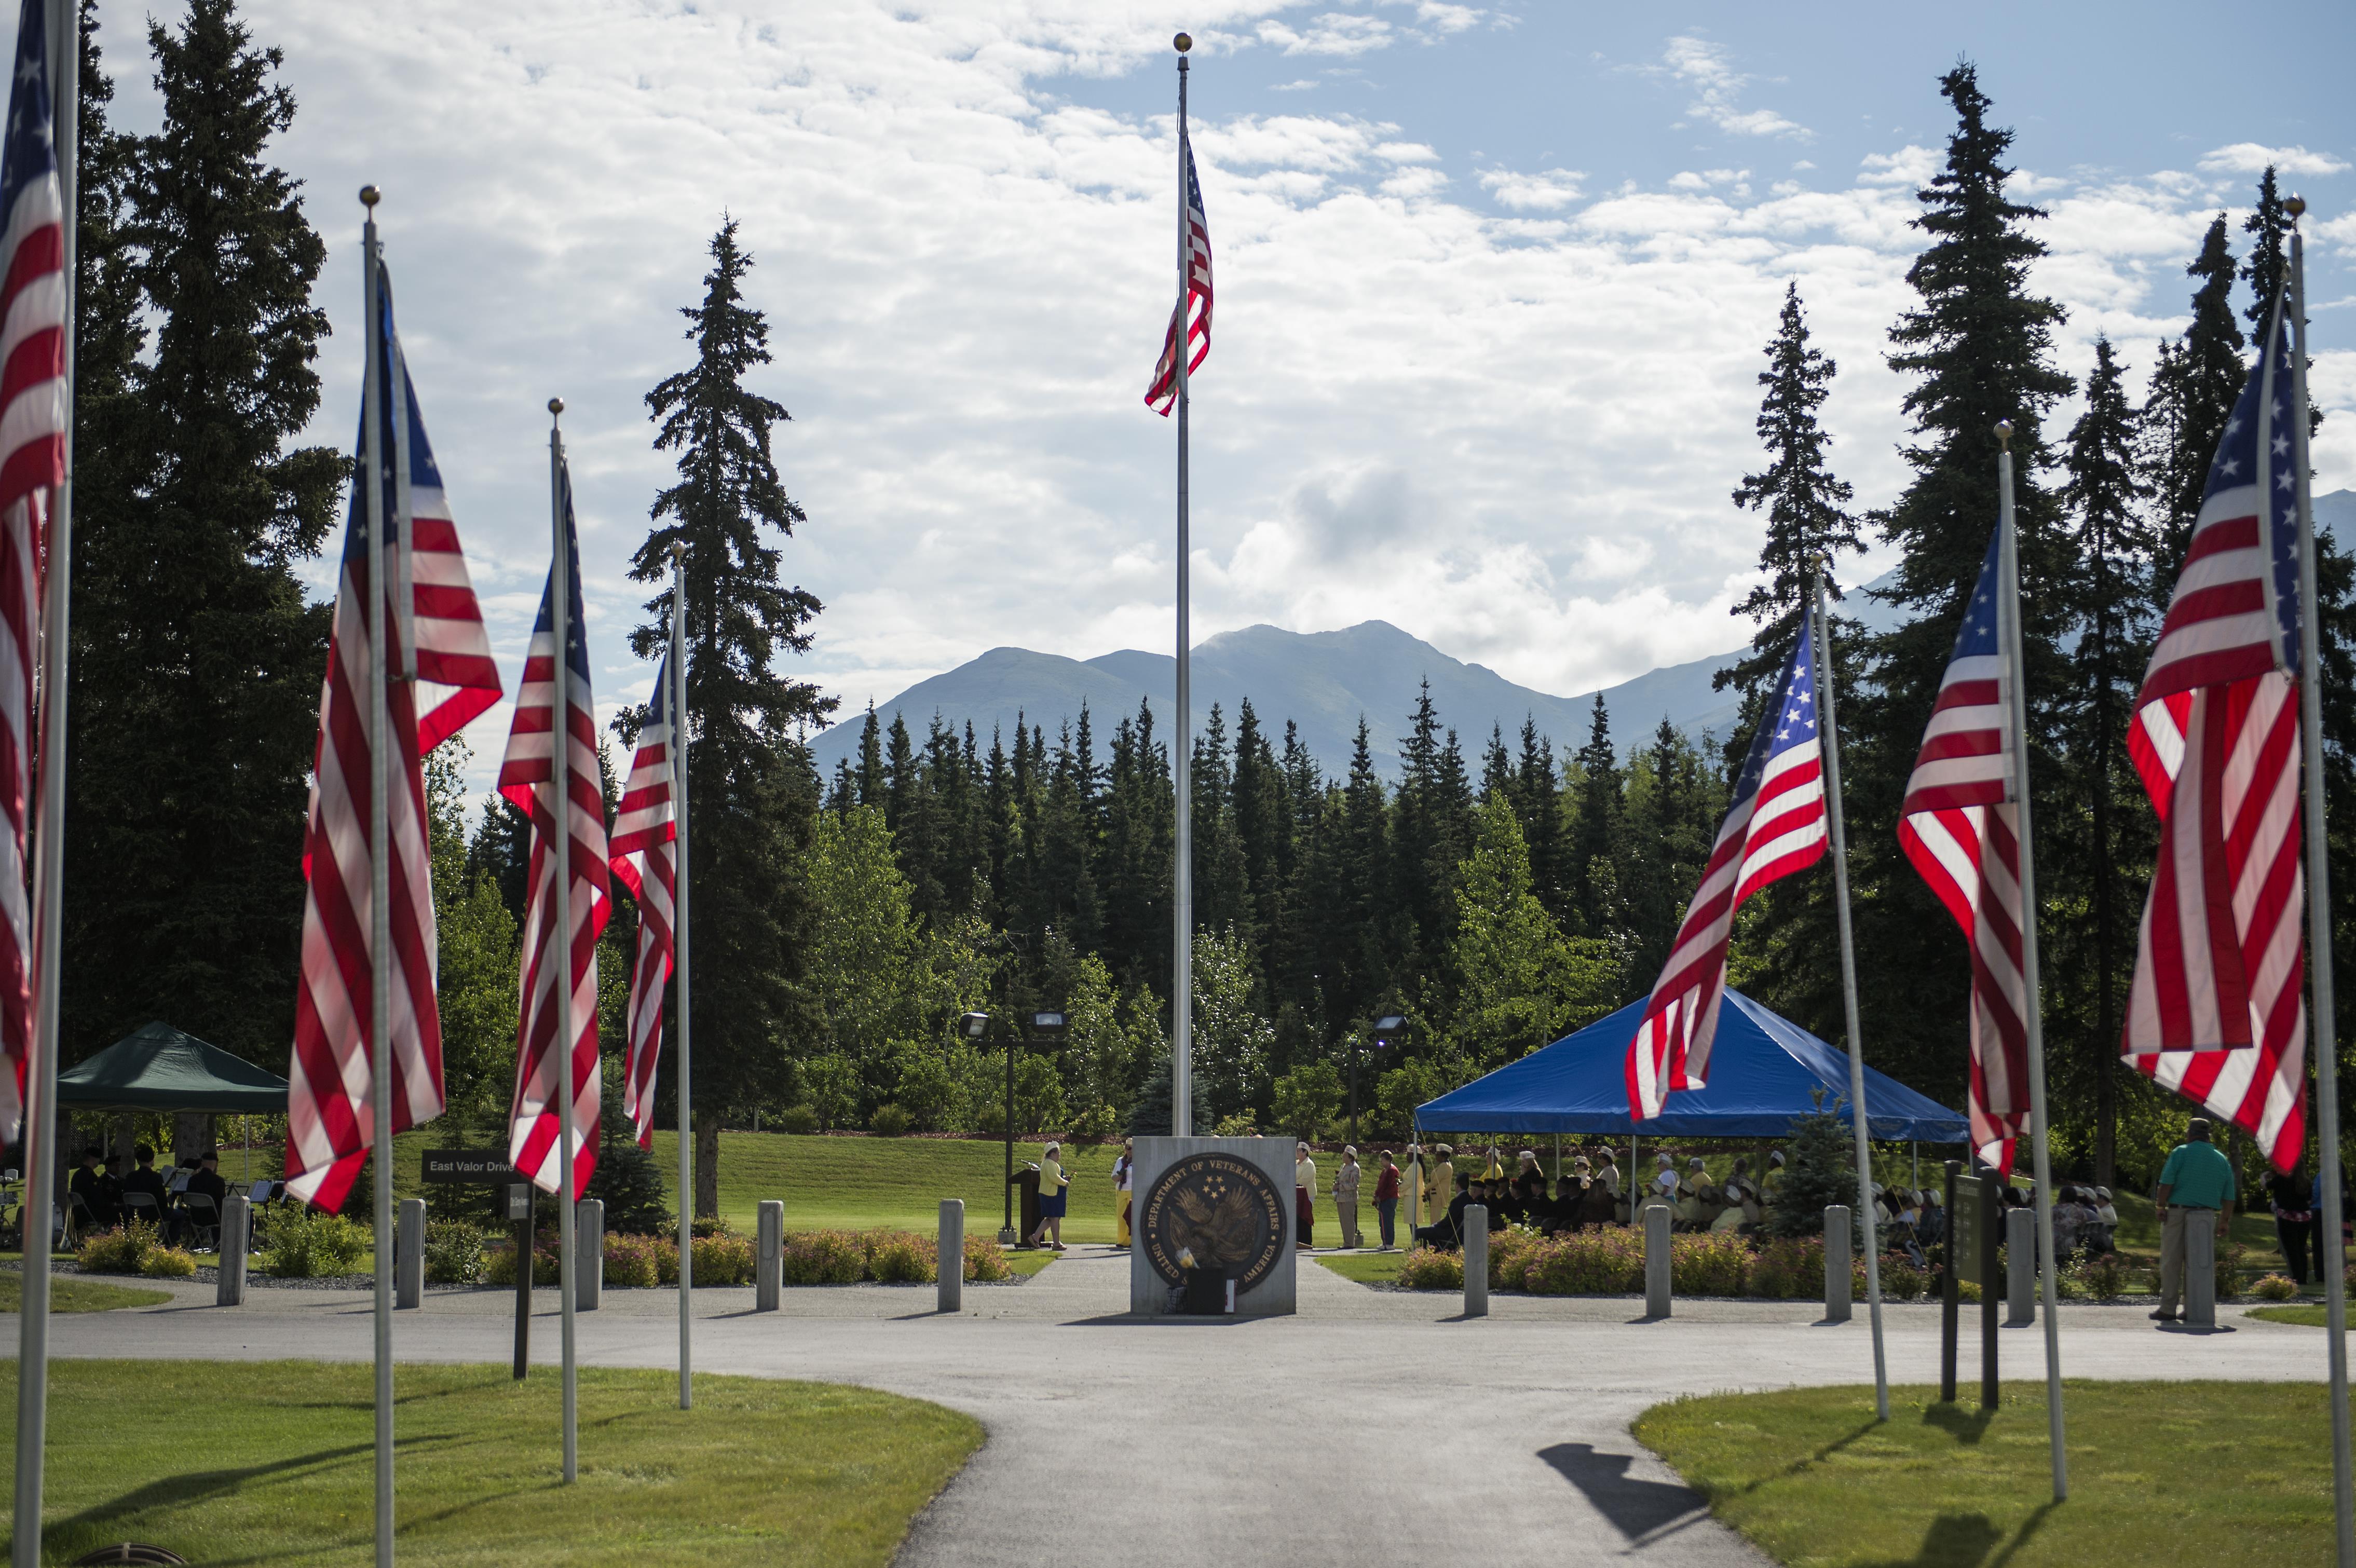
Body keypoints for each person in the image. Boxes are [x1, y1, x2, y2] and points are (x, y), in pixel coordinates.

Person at [2153, 1117, 2237, 1323]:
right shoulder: (2220, 1159)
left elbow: (2167, 1183)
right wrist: (2225, 1220)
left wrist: (2160, 1205)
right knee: (2198, 1263)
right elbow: (2229, 1195)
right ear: (2209, 1136)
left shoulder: (2180, 1152)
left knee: (2171, 1260)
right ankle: (2194, 1307)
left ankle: (2168, 1308)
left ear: (2189, 1134)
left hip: (2178, 1213)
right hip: (2206, 1216)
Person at [1026, 1142, 1070, 1251]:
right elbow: (1053, 1178)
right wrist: (1065, 1182)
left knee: (1051, 1219)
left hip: (1049, 1193)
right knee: (1055, 1218)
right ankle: (1056, 1243)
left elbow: (1054, 1176)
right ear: (1053, 1153)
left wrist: (1064, 1178)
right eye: (1058, 1153)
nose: (1060, 1155)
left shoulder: (1049, 1163)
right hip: (1051, 1194)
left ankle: (1035, 1237)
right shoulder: (1049, 1163)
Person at [1417, 1171, 1470, 1249]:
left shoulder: (1457, 1201)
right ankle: (1436, 1250)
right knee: (1431, 1234)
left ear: (1457, 1186)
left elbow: (1448, 1220)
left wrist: (1436, 1225)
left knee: (1419, 1231)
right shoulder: (1470, 1200)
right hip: (1460, 1233)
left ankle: (1418, 1252)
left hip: (1451, 1233)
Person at [68, 1147, 113, 1231]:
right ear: (92, 1159)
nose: (99, 1161)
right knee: (119, 1212)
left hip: (79, 1212)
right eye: (98, 1158)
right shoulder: (90, 1176)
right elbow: (97, 1198)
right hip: (91, 1213)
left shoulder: (77, 1175)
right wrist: (113, 1204)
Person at [1333, 1145, 1364, 1249]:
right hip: (1341, 1198)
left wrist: (1340, 1187)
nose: (1343, 1156)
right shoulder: (1344, 1167)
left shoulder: (1355, 1169)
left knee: (1349, 1221)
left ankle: (1350, 1243)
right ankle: (1346, 1242)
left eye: (1345, 1155)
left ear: (1351, 1157)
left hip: (1349, 1198)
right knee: (1343, 1221)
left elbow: (1353, 1185)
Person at [1373, 1150, 1402, 1250]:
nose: (1381, 1162)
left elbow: (1393, 1187)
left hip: (1390, 1199)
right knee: (1382, 1222)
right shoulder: (1384, 1171)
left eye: (1383, 1160)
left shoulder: (1393, 1171)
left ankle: (1390, 1242)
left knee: (1388, 1221)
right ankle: (1384, 1242)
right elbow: (1380, 1185)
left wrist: (1381, 1197)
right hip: (1382, 1199)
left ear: (1388, 1160)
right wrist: (1376, 1196)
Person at [1112, 1138, 1135, 1249]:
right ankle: (1122, 1241)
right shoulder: (1120, 1161)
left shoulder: (1138, 1161)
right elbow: (1114, 1177)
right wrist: (1120, 1176)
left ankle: (1132, 1241)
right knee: (1121, 1217)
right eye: (1128, 1148)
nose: (1130, 1151)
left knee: (1131, 1217)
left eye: (1132, 1148)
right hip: (1121, 1190)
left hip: (1133, 1191)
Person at [1295, 1142, 1317, 1250]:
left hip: (1307, 1195)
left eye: (1299, 1150)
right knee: (1297, 1218)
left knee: (1305, 1216)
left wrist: (1293, 1181)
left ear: (1305, 1152)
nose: (1297, 1152)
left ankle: (1307, 1241)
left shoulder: (1309, 1165)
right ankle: (1299, 1240)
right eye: (1297, 1150)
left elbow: (1304, 1180)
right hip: (1296, 1196)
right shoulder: (1296, 1164)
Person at [1401, 1143, 1425, 1240]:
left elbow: (1409, 1182)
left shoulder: (1416, 1166)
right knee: (1412, 1221)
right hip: (1410, 1195)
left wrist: (1398, 1188)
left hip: (1413, 1195)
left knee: (1413, 1221)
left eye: (1408, 1155)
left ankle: (1416, 1242)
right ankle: (1416, 1241)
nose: (1407, 1157)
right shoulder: (1413, 1165)